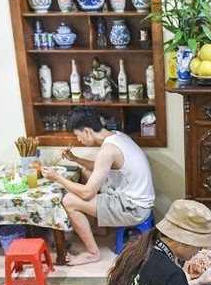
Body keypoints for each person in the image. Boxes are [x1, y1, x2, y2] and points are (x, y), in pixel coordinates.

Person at [41, 106, 155, 266]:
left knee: (69, 201)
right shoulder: (116, 136)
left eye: (78, 135)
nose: (78, 140)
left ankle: (92, 253)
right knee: (87, 172)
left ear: (87, 131)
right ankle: (99, 228)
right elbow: (101, 166)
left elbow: (87, 193)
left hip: (133, 208)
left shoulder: (107, 151)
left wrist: (57, 178)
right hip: (135, 198)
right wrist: (76, 159)